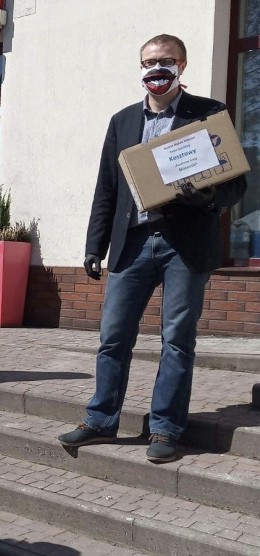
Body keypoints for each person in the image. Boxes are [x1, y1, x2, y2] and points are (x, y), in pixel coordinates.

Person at [58, 34, 247, 463]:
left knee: (177, 340)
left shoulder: (209, 114)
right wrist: (95, 244)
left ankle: (164, 429)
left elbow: (235, 183)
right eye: (148, 61)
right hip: (134, 244)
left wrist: (206, 199)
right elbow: (106, 188)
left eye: (165, 61)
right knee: (113, 337)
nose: (155, 69)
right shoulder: (123, 121)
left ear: (182, 65)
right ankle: (101, 419)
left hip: (185, 245)